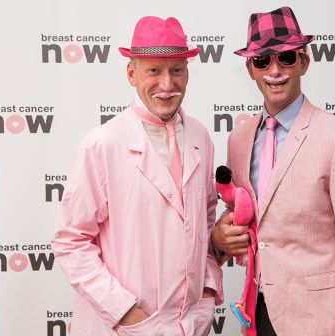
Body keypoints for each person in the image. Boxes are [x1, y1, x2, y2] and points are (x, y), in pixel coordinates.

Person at [211, 6, 335, 336]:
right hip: (258, 315)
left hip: (323, 323)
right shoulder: (238, 139)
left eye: (286, 58)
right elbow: (245, 221)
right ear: (250, 69)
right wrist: (220, 241)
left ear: (304, 62)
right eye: (262, 60)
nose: (274, 70)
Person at [51, 16, 223, 336]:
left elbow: (207, 222)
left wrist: (208, 287)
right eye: (154, 70)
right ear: (131, 73)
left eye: (177, 70)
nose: (167, 84)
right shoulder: (102, 144)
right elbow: (70, 240)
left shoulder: (200, 136)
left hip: (189, 324)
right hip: (123, 327)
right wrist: (125, 311)